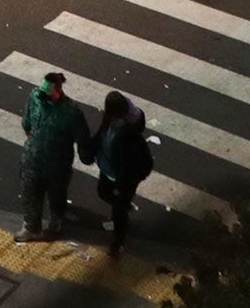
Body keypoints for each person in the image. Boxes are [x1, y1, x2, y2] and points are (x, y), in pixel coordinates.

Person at [81, 92, 155, 258]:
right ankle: (124, 206)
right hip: (109, 171)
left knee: (118, 212)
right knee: (103, 192)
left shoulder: (128, 133)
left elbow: (137, 162)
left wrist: (124, 184)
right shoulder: (109, 122)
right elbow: (100, 137)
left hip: (124, 178)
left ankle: (118, 241)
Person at [19, 72, 86, 242]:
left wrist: (87, 156)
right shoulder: (35, 97)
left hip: (58, 164)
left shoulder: (71, 112)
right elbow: (27, 123)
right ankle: (32, 227)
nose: (42, 96)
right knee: (30, 194)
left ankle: (56, 219)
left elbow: (82, 138)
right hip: (33, 160)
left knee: (57, 194)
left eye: (46, 94)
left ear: (58, 91)